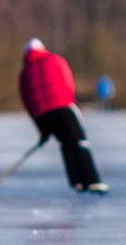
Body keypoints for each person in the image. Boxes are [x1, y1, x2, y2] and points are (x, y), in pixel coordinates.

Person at [17, 39, 107, 193]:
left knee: (65, 145)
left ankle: (76, 182)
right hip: (62, 107)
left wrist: (42, 128)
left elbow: (27, 100)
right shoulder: (54, 59)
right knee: (79, 142)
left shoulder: (24, 72)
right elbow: (68, 81)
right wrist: (71, 101)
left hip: (42, 115)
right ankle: (92, 181)